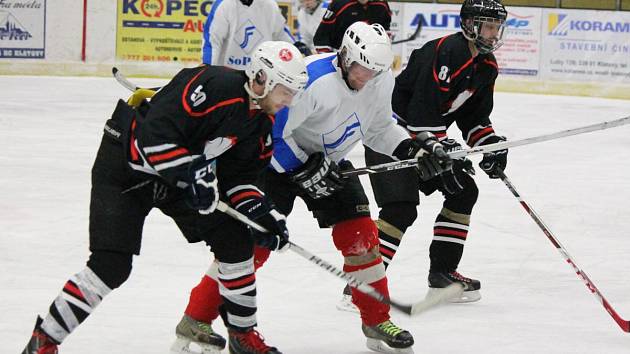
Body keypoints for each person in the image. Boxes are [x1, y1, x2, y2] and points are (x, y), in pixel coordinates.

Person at [178, 22, 455, 354]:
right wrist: (303, 167)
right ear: (346, 54)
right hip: (276, 166)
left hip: (329, 164)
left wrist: (412, 150)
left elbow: (380, 127)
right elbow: (273, 134)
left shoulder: (380, 81)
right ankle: (196, 317)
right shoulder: (312, 80)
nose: (365, 77)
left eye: (374, 71)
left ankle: (376, 320)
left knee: (362, 239)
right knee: (251, 248)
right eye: (360, 67)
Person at [21, 41, 308, 354]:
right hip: (125, 165)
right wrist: (191, 174)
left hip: (178, 178)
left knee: (236, 241)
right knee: (111, 265)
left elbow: (239, 178)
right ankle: (43, 341)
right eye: (285, 91)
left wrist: (262, 213)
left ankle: (243, 336)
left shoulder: (260, 123)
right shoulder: (215, 86)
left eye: (293, 93)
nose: (289, 101)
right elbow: (153, 135)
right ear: (261, 79)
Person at [347, 0, 509, 305]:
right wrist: (441, 148)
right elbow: (421, 112)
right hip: (393, 138)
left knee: (463, 191)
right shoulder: (447, 52)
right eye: (488, 26)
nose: (494, 33)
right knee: (401, 207)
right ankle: (362, 286)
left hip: (428, 143)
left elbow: (473, 119)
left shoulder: (486, 67)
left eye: (497, 27)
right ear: (471, 26)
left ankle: (443, 274)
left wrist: (490, 145)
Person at [203, 0, 310, 68]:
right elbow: (212, 41)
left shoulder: (269, 5)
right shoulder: (224, 5)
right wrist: (207, 67)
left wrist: (296, 47)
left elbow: (280, 33)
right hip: (228, 72)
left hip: (260, 72)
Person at [313, 0, 391, 53]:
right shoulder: (339, 4)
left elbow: (385, 30)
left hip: (371, 55)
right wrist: (328, 58)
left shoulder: (381, 4)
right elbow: (321, 36)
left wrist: (383, 49)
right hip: (340, 54)